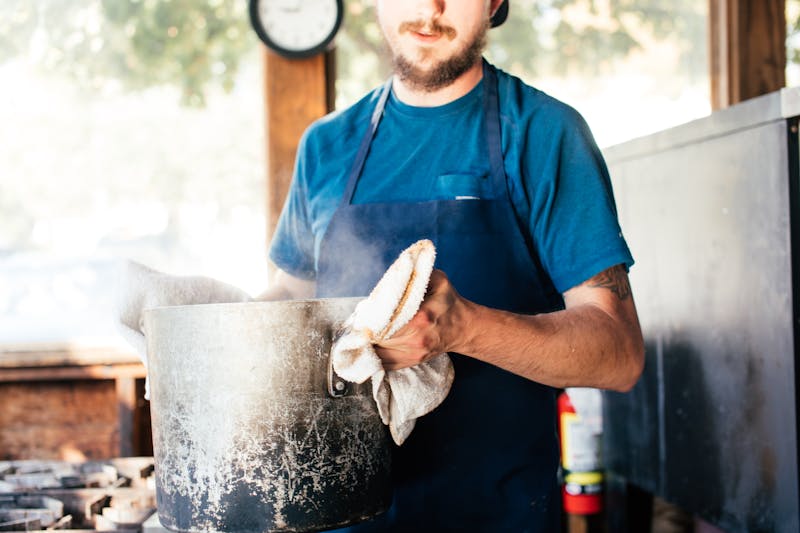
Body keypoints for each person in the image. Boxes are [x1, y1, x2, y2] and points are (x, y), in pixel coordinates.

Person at [261, 0, 644, 530]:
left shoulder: (543, 134)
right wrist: (190, 331)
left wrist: (463, 327)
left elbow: (620, 354)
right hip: (335, 519)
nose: (429, 7)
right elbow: (288, 299)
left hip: (498, 514)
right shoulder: (326, 146)